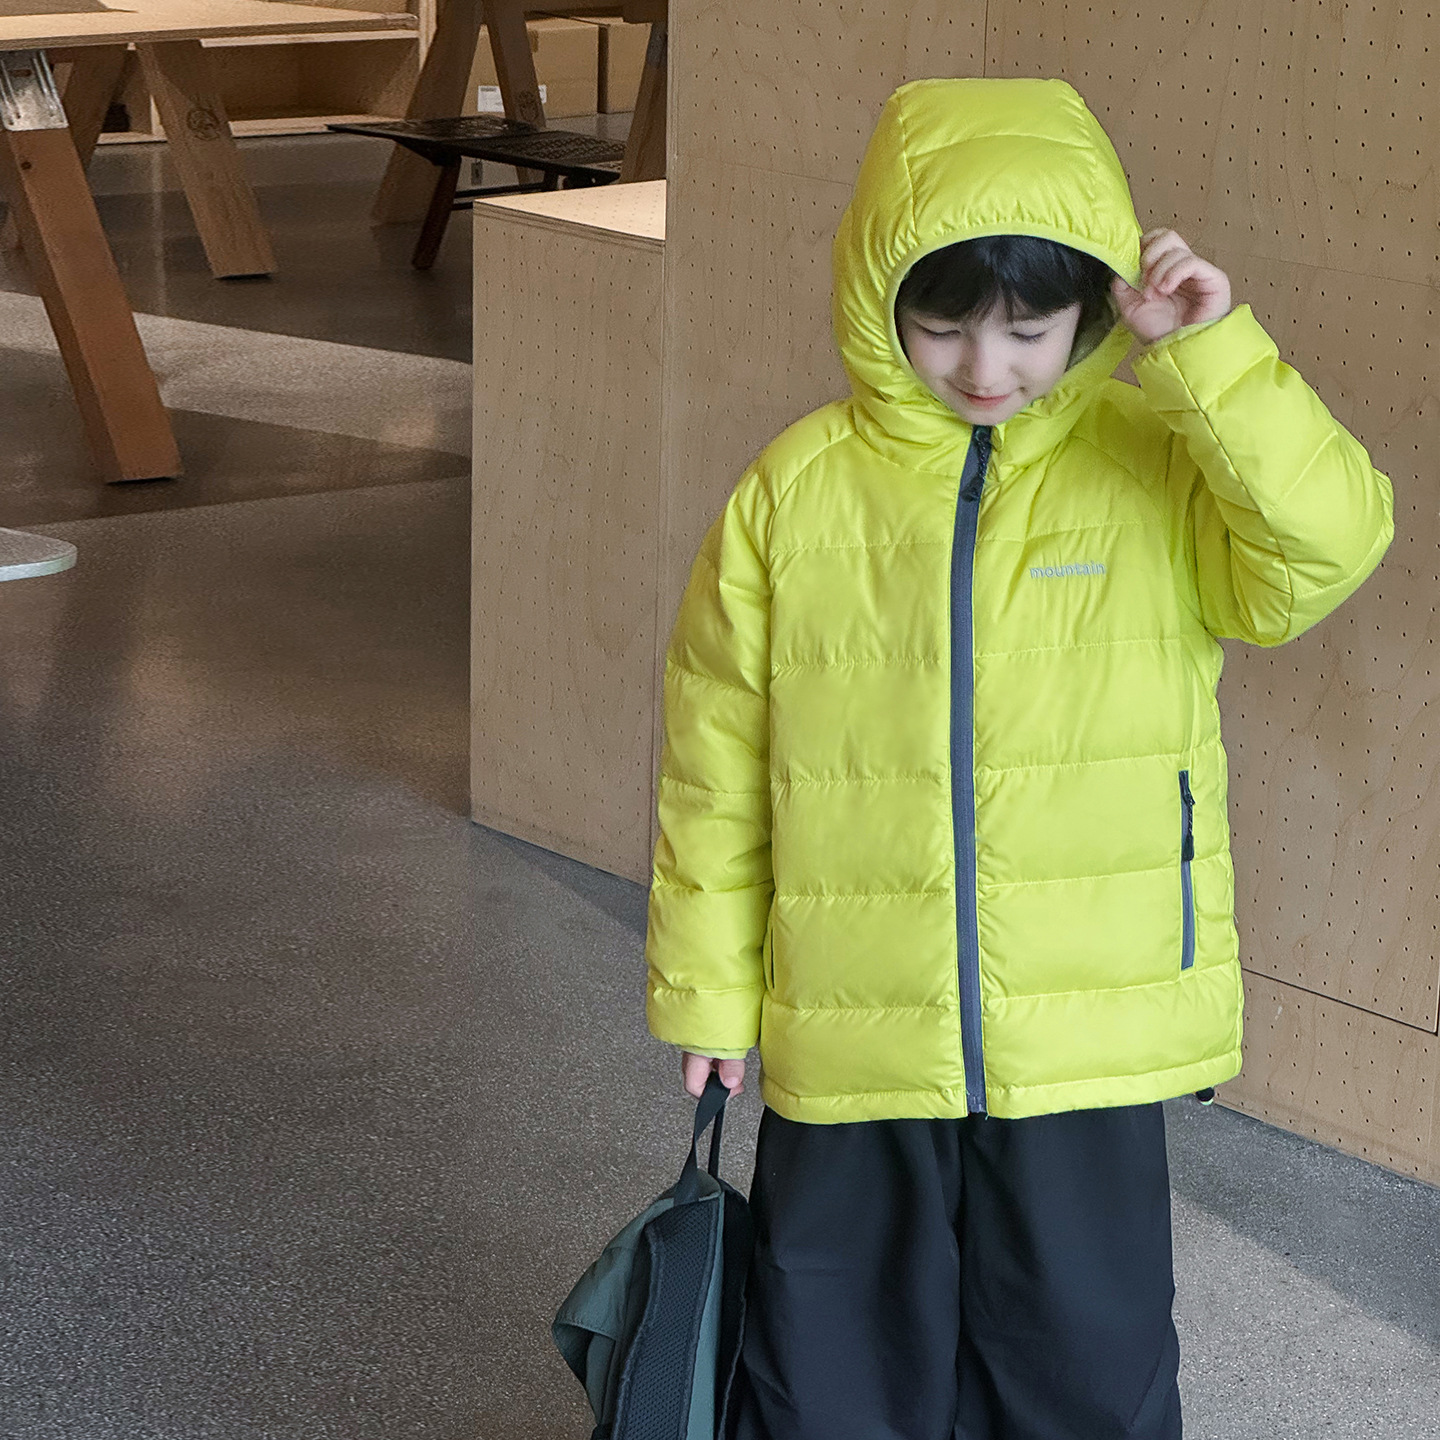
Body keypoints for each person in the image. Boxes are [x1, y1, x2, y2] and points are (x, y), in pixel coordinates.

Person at [643, 77, 1393, 1440]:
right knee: (830, 1370)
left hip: (1086, 1028)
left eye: (1031, 331)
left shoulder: (1155, 464)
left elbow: (1325, 553)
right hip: (857, 1019)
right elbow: (717, 759)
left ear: (1093, 310)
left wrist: (1213, 357)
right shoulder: (796, 492)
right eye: (942, 326)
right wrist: (709, 991)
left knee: (1084, 1371)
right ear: (878, 301)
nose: (987, 369)